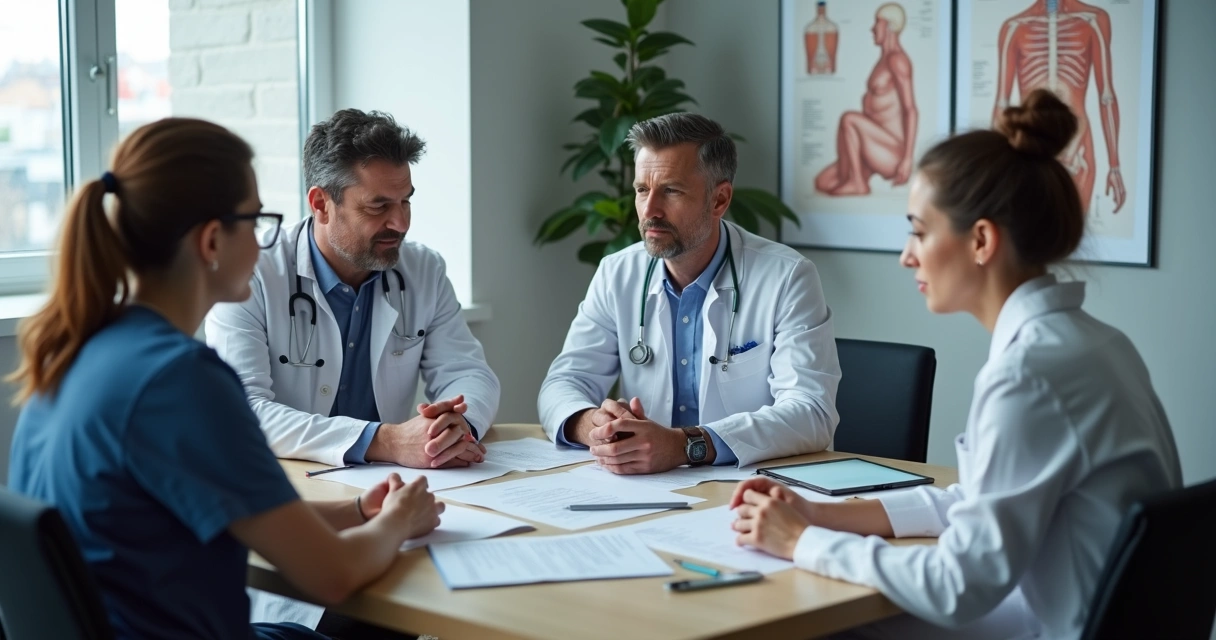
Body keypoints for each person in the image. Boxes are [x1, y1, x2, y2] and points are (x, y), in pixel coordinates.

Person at [729, 89, 1181, 639]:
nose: (907, 254)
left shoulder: (1029, 374)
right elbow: (978, 499)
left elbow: (959, 584)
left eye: (919, 230)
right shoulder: (1096, 344)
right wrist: (822, 515)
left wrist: (801, 543)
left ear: (981, 240)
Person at [6, 118, 444, 640]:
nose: (265, 240)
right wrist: (400, 518)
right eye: (256, 220)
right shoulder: (181, 382)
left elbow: (245, 519)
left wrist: (357, 510)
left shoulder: (76, 350)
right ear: (213, 240)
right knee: (374, 623)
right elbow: (335, 575)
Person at [538, 113, 840, 473]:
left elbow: (811, 412)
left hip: (748, 488)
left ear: (719, 200)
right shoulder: (617, 272)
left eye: (671, 190)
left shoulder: (787, 276)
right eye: (642, 190)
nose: (650, 211)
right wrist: (596, 427)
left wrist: (686, 446)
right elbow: (564, 382)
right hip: (646, 487)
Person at [206, 108, 500, 470]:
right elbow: (242, 409)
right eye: (378, 206)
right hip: (286, 481)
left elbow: (468, 372)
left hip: (391, 480)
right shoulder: (253, 273)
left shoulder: (424, 269)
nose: (401, 222)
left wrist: (454, 428)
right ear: (321, 205)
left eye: (405, 200)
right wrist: (384, 440)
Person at [814, 2, 918, 196]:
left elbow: (910, 109)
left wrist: (907, 159)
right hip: (870, 148)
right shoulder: (883, 60)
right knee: (822, 182)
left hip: (890, 152)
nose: (872, 28)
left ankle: (858, 182)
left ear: (888, 25)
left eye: (877, 23)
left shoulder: (898, 60)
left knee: (849, 118)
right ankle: (855, 176)